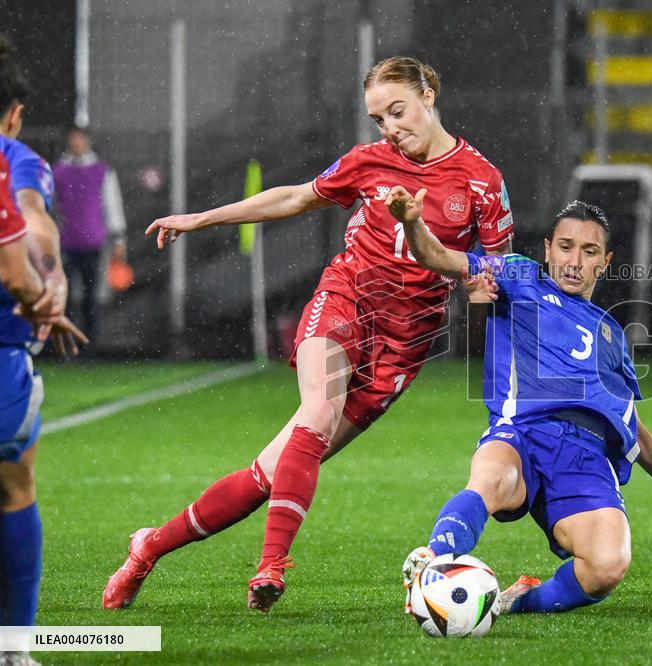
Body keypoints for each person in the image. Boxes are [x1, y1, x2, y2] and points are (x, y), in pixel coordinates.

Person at [104, 56, 514, 613]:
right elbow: (296, 196)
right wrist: (201, 219)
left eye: (398, 111)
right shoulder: (370, 162)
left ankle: (148, 547)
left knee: (271, 473)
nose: (391, 128)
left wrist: (481, 291)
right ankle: (271, 566)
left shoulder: (483, 182)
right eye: (379, 119)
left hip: (403, 344)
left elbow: (498, 272)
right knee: (317, 414)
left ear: (429, 96)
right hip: (346, 300)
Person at [387, 193, 652, 616]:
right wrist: (413, 223)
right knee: (490, 479)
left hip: (584, 455)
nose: (575, 260)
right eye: (565, 247)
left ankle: (511, 604)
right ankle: (431, 565)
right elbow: (437, 256)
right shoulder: (517, 276)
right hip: (520, 433)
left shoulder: (613, 335)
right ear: (547, 250)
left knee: (607, 565)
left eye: (589, 251)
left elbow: (630, 422)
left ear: (605, 261)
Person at [0, 38, 86, 666]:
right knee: (14, 483)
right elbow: (29, 230)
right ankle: (16, 646)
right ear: (15, 114)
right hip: (3, 348)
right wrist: (45, 293)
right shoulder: (11, 159)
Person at [51, 124, 127, 343]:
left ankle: (89, 345)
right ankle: (65, 345)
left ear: (87, 141)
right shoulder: (58, 170)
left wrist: (119, 238)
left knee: (90, 298)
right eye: (73, 138)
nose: (76, 143)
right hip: (65, 242)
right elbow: (51, 206)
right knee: (63, 297)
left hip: (93, 242)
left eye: (80, 138)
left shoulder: (102, 170)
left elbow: (113, 206)